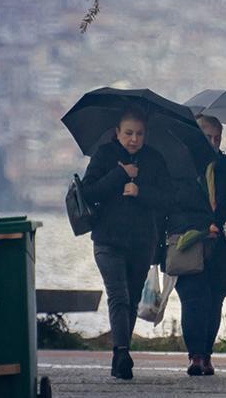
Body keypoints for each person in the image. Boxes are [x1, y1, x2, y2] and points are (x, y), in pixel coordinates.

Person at [81, 109, 171, 380]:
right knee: (118, 296)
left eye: (139, 134)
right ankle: (121, 352)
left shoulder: (154, 159)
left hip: (142, 241)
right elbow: (88, 192)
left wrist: (139, 189)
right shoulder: (104, 156)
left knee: (130, 299)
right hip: (107, 240)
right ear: (117, 133)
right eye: (128, 133)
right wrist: (119, 175)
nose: (133, 139)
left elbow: (167, 198)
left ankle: (121, 352)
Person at [169, 115, 226, 376]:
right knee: (192, 299)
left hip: (221, 245)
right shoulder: (179, 166)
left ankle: (207, 353)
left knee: (214, 302)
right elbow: (174, 206)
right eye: (207, 137)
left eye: (217, 138)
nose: (212, 142)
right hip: (190, 242)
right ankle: (196, 355)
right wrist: (201, 225)